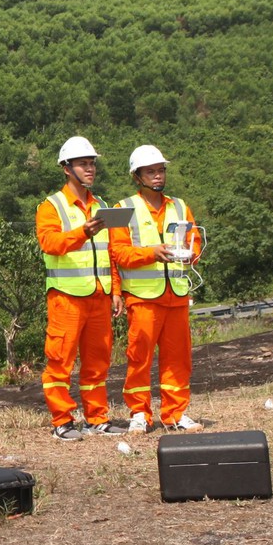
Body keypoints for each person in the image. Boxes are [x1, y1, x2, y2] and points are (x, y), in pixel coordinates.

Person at [110, 144, 204, 433]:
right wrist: (152, 253)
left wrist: (192, 252)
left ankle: (175, 414)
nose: (158, 176)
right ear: (137, 176)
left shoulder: (180, 205)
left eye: (161, 170)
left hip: (176, 293)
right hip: (142, 296)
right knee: (140, 356)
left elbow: (195, 240)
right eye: (151, 171)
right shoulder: (120, 209)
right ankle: (139, 412)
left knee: (178, 357)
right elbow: (117, 254)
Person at [36, 135, 121, 441]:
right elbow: (50, 243)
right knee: (60, 361)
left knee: (98, 362)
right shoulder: (51, 207)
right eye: (83, 164)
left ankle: (97, 418)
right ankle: (62, 421)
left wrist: (115, 290)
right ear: (66, 168)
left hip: (99, 296)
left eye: (92, 163)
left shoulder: (101, 205)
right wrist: (81, 232)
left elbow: (110, 251)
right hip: (67, 298)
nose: (90, 169)